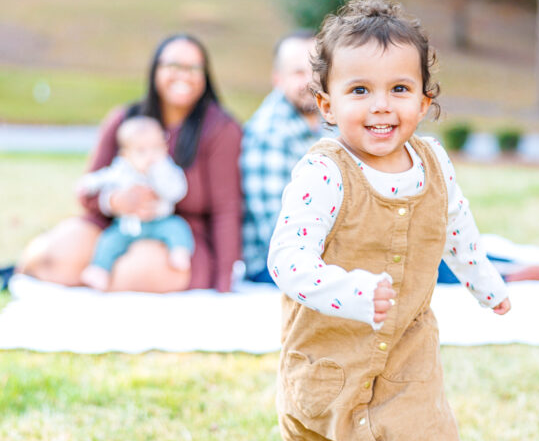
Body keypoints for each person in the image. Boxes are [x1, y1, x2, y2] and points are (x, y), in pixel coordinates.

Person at [267, 0, 511, 441]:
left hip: (406, 346)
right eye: (360, 91)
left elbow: (457, 229)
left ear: (426, 99)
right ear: (327, 104)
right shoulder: (323, 173)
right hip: (332, 351)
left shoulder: (434, 163)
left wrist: (484, 283)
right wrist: (349, 289)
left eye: (400, 88)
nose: (382, 106)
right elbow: (286, 260)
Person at [18, 35, 242, 293]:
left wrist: (225, 280)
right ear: (155, 69)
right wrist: (114, 201)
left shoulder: (221, 129)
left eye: (194, 68)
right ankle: (36, 267)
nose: (184, 75)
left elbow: (226, 209)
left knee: (133, 274)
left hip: (182, 236)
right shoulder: (124, 120)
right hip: (116, 226)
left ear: (205, 75)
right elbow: (87, 190)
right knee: (52, 260)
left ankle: (92, 291)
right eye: (173, 66)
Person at [240, 30, 324, 283]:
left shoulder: (332, 120)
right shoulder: (268, 134)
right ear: (278, 79)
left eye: (317, 69)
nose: (310, 80)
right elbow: (280, 232)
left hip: (325, 252)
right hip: (276, 265)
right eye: (298, 72)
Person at [78, 116, 195, 291]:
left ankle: (179, 252)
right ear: (126, 154)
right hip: (129, 224)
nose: (151, 156)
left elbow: (178, 191)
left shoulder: (166, 168)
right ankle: (99, 269)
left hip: (160, 221)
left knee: (178, 228)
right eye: (142, 151)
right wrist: (89, 183)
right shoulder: (122, 169)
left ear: (165, 147)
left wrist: (159, 175)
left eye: (156, 148)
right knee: (109, 240)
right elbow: (105, 176)